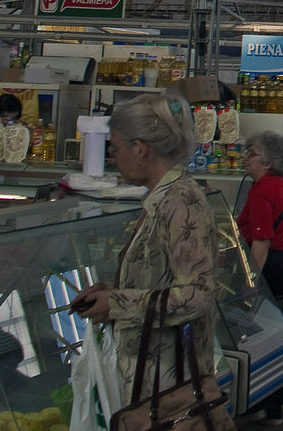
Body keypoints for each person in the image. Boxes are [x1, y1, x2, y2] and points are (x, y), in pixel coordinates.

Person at [73, 93, 215, 407]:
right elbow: (162, 280)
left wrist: (118, 303)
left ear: (140, 149)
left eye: (115, 148)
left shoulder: (180, 202)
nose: (112, 157)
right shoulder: (161, 199)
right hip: (150, 382)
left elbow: (197, 295)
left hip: (169, 389)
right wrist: (112, 293)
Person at [237, 131, 283, 426]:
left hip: (270, 265)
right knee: (276, 334)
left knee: (256, 336)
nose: (246, 160)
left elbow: (261, 240)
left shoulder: (261, 191)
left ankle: (259, 400)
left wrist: (250, 282)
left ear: (267, 161)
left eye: (251, 154)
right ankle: (273, 404)